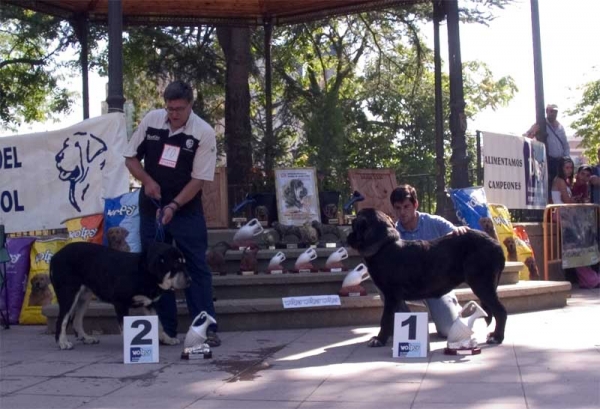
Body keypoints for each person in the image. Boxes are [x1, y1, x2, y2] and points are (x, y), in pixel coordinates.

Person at [123, 80, 220, 347]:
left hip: (186, 210)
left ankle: (205, 327)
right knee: (156, 268)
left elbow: (199, 179)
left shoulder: (203, 132)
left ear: (190, 105)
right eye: (169, 108)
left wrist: (174, 205)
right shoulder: (153, 120)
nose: (173, 114)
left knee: (197, 267)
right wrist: (147, 181)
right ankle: (165, 329)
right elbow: (130, 158)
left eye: (178, 108)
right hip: (151, 208)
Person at [389, 184, 468, 338]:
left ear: (415, 204)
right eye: (398, 208)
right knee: (384, 284)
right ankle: (404, 323)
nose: (402, 212)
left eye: (406, 206)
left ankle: (453, 309)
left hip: (437, 286)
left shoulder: (435, 222)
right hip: (410, 288)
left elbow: (459, 236)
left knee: (448, 331)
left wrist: (459, 231)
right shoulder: (393, 233)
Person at [525, 104, 570, 199]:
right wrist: (533, 131)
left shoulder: (560, 127)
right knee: (549, 186)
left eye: (555, 111)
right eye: (551, 111)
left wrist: (566, 159)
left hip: (560, 162)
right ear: (547, 111)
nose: (553, 113)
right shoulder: (541, 124)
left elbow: (565, 145)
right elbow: (526, 137)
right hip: (547, 162)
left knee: (561, 186)